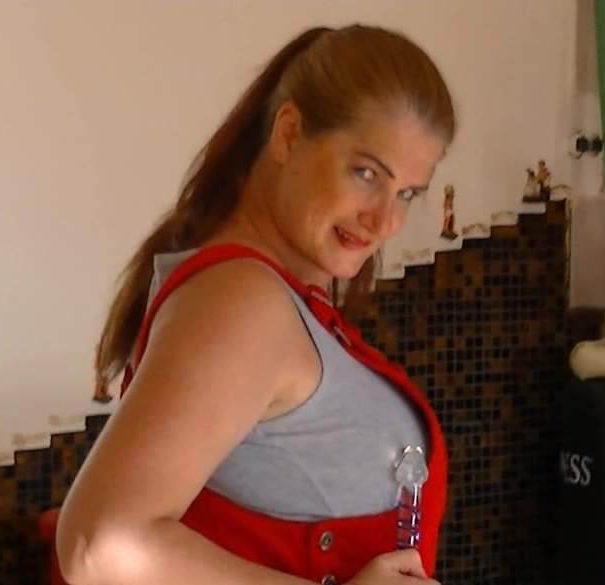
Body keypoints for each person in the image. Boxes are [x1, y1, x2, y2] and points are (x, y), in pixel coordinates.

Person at [55, 24, 455, 585]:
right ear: (288, 134)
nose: (385, 220)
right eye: (366, 173)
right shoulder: (242, 302)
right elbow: (100, 544)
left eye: (407, 193)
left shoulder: (267, 295)